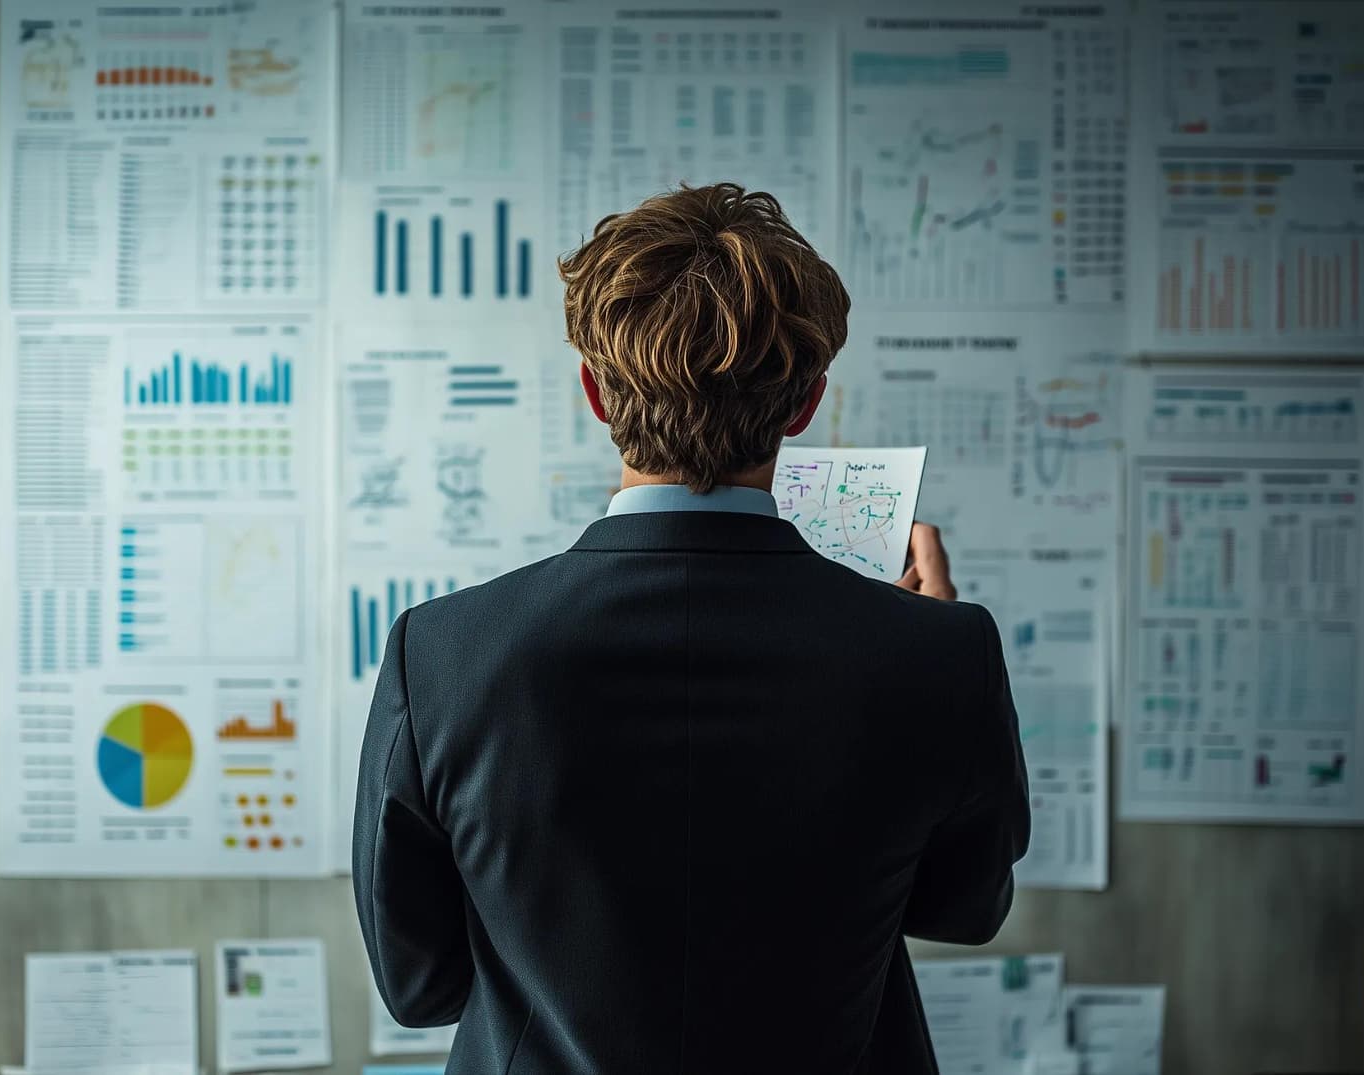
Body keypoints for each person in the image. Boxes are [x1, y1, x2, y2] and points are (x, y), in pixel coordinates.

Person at [353, 182, 1030, 1072]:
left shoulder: (438, 654)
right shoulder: (943, 653)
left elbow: (420, 987)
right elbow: (963, 907)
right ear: (805, 402)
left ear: (595, 393)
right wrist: (932, 664)